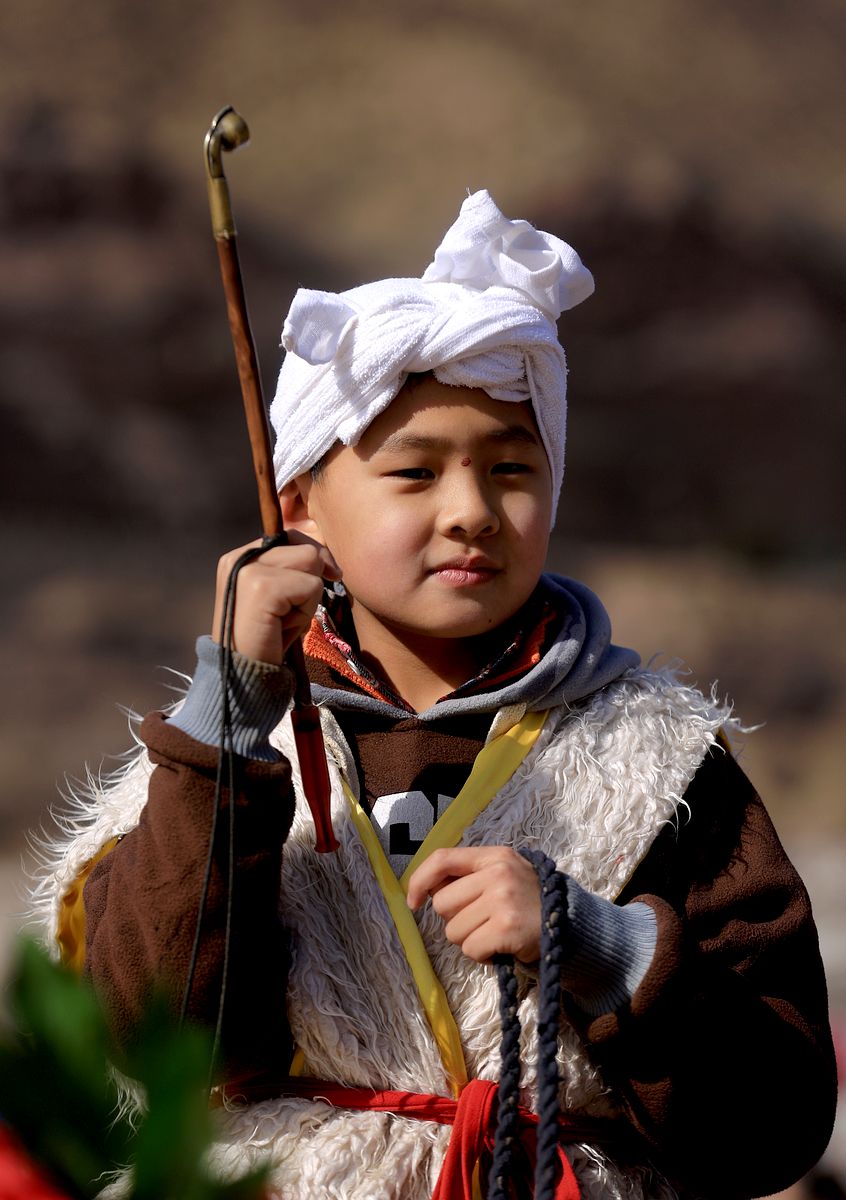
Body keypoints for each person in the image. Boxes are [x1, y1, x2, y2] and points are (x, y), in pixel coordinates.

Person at [36, 192, 836, 1199]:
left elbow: (780, 1124)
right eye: (413, 474)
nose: (471, 513)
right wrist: (232, 715)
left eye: (511, 468)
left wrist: (599, 946)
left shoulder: (662, 765)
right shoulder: (218, 747)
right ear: (297, 509)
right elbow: (154, 1039)